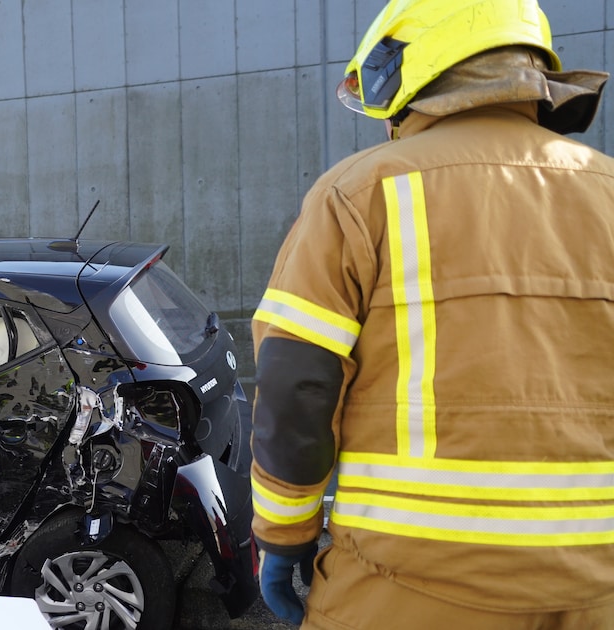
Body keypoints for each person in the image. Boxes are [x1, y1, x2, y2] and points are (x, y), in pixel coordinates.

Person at [248, 1, 614, 628]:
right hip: (594, 590)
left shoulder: (360, 193)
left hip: (404, 587)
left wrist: (284, 537)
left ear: (407, 67)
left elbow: (298, 385)